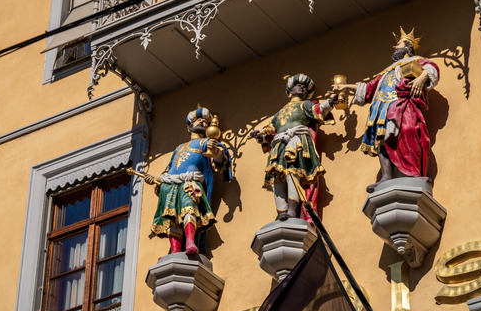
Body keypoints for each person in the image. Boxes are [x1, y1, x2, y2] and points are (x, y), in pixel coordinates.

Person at [334, 27, 440, 192]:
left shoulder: (416, 61)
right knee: (381, 141)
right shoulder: (387, 71)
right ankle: (386, 175)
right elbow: (369, 88)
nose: (394, 47)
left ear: (407, 45)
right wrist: (346, 86)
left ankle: (412, 173)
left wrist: (420, 79)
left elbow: (432, 68)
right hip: (381, 107)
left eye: (397, 44)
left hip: (402, 105)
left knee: (408, 132)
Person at [143, 107, 232, 254]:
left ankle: (190, 242)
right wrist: (157, 179)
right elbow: (170, 168)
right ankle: (175, 250)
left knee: (189, 209)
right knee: (172, 217)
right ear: (190, 126)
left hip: (190, 182)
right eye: (199, 121)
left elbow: (220, 158)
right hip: (171, 184)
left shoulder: (205, 142)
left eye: (205, 122)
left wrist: (215, 152)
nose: (202, 123)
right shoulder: (179, 148)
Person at [253, 74, 337, 220]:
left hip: (297, 142)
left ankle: (292, 210)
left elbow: (318, 110)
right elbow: (271, 131)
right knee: (278, 178)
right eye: (298, 85)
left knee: (294, 174)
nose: (302, 87)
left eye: (304, 87)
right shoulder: (279, 113)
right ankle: (281, 211)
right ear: (290, 90)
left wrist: (330, 102)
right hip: (279, 145)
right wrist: (259, 135)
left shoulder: (305, 105)